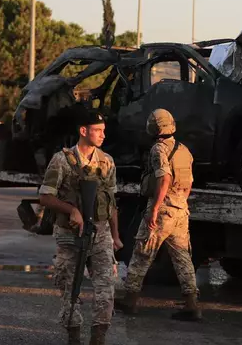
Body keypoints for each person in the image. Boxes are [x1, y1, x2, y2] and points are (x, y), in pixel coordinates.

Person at [39, 109, 123, 345]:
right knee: (70, 290)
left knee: (106, 291)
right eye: (98, 131)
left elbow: (111, 202)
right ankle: (73, 338)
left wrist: (115, 236)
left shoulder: (107, 162)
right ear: (83, 131)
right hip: (69, 234)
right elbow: (45, 197)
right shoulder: (62, 160)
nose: (102, 135)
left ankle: (98, 340)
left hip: (101, 233)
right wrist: (71, 210)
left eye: (104, 131)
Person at [116, 108, 202, 321]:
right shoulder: (184, 150)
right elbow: (189, 182)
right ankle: (192, 304)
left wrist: (154, 209)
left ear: (153, 127)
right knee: (182, 257)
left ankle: (130, 300)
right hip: (181, 209)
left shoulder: (158, 150)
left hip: (162, 209)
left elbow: (164, 179)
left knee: (142, 252)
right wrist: (179, 201)